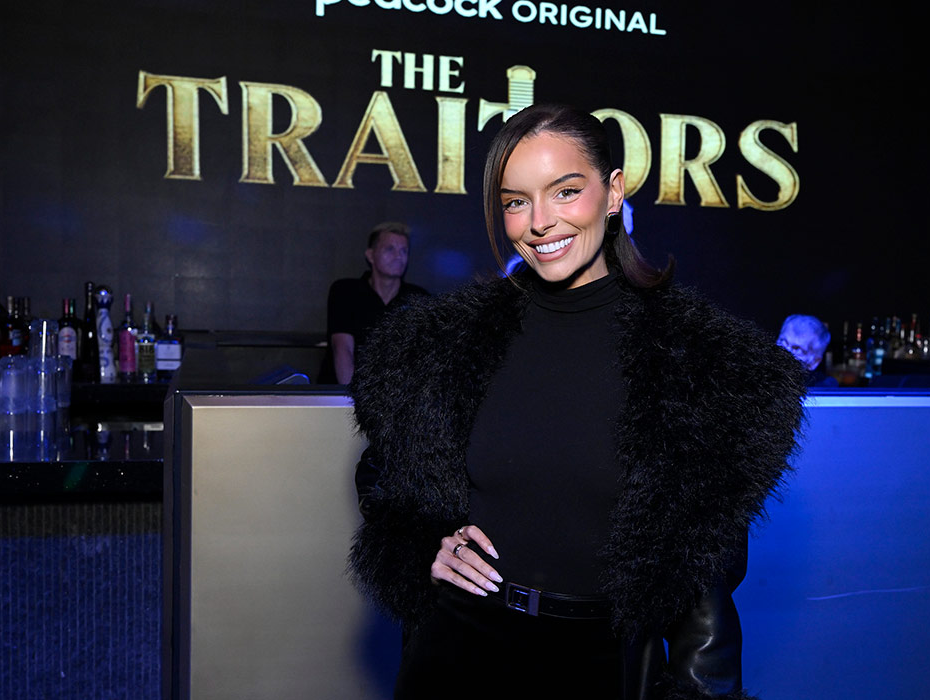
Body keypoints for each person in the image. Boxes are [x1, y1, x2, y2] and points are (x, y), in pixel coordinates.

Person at [348, 104, 805, 699]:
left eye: (565, 191)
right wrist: (420, 547)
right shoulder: (442, 347)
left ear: (613, 192)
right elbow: (384, 474)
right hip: (458, 656)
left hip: (603, 670)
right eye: (516, 201)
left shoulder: (701, 366)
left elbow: (704, 589)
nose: (539, 222)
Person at [320, 222, 428, 384]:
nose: (398, 256)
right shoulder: (346, 292)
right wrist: (352, 400)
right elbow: (342, 348)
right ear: (370, 255)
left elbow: (422, 357)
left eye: (404, 250)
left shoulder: (418, 299)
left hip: (394, 396)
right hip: (343, 396)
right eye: (390, 249)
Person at [776, 314, 838, 387]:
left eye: (797, 349)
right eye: (782, 342)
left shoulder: (825, 391)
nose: (784, 351)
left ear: (814, 362)